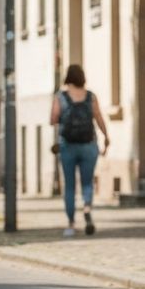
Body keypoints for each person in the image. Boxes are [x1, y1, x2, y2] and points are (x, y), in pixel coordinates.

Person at [49, 64, 109, 238]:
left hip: (67, 145)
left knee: (69, 186)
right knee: (88, 182)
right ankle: (87, 207)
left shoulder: (61, 96)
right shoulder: (90, 96)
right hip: (89, 145)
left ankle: (71, 224)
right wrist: (106, 136)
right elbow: (98, 117)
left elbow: (53, 119)